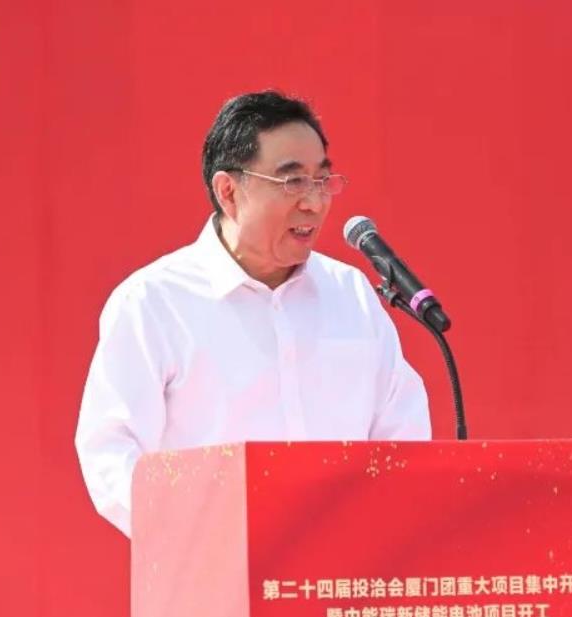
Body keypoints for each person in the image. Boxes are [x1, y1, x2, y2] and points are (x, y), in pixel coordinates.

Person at [75, 91, 430, 537]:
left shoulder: (350, 293)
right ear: (228, 191)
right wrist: (194, 537)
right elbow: (110, 451)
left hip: (343, 566)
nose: (315, 202)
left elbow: (403, 433)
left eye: (322, 180)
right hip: (212, 565)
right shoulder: (155, 302)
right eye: (292, 182)